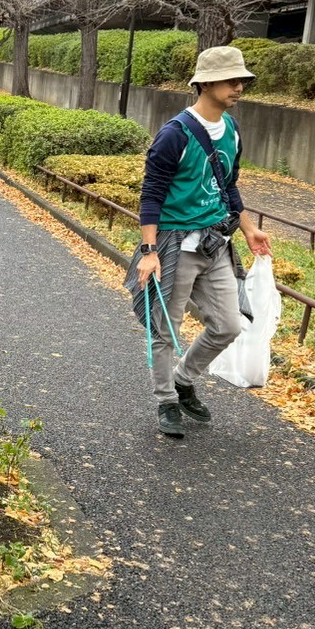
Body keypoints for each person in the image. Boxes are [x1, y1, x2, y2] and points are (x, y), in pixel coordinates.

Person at [123, 45, 272, 439]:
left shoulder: (232, 129)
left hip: (215, 241)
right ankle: (166, 400)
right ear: (205, 84)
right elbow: (151, 194)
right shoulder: (175, 134)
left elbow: (228, 185)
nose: (239, 87)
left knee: (227, 325)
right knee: (165, 328)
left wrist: (248, 228)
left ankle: (184, 379)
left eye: (242, 80)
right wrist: (149, 251)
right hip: (174, 244)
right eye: (231, 80)